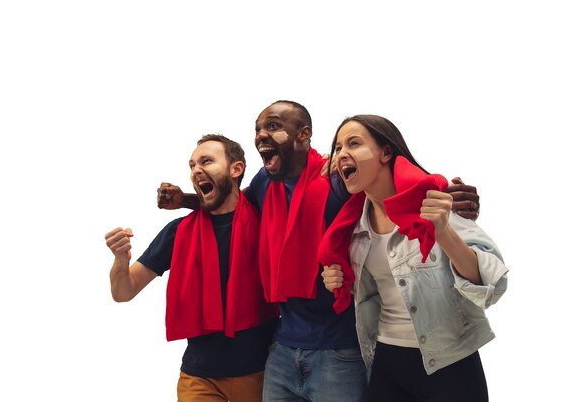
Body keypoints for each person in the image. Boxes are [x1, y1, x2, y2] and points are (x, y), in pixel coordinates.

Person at [157, 100, 482, 402]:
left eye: (272, 126)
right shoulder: (263, 183)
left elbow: (389, 182)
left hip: (339, 351)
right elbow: (230, 205)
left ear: (304, 134)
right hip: (282, 348)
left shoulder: (337, 179)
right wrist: (186, 200)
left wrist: (444, 192)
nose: (261, 135)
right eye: (257, 129)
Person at [320, 114, 508, 402]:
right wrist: (339, 279)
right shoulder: (354, 227)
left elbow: (490, 285)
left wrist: (444, 231)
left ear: (386, 152)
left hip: (450, 364)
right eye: (338, 147)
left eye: (354, 143)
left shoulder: (435, 202)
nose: (342, 153)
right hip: (386, 361)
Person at [105, 134, 278, 402]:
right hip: (199, 378)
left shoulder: (265, 216)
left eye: (206, 161)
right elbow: (124, 291)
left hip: (262, 374)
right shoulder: (178, 233)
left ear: (236, 169)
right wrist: (120, 260)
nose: (196, 170)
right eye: (192, 165)